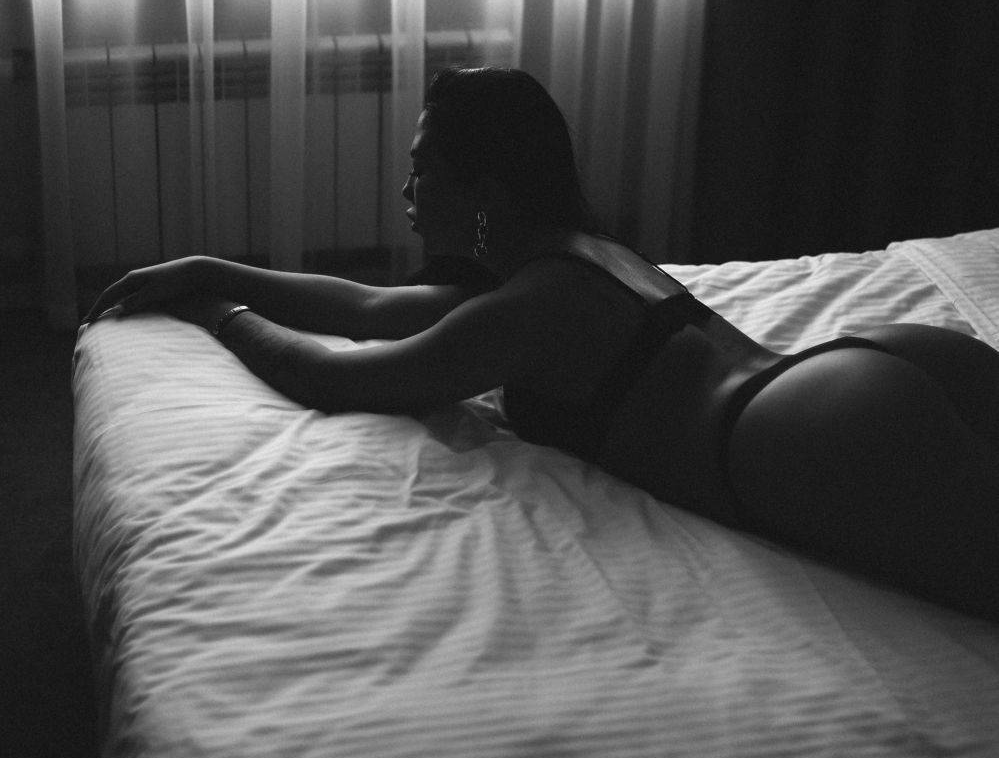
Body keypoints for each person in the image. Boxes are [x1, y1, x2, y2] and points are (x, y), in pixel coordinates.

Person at [83, 66, 999, 623]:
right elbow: (365, 306)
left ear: (483, 193)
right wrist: (212, 267)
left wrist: (214, 314)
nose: (404, 194)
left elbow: (329, 375)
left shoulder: (528, 307)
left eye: (421, 172)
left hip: (809, 435)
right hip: (872, 370)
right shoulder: (579, 257)